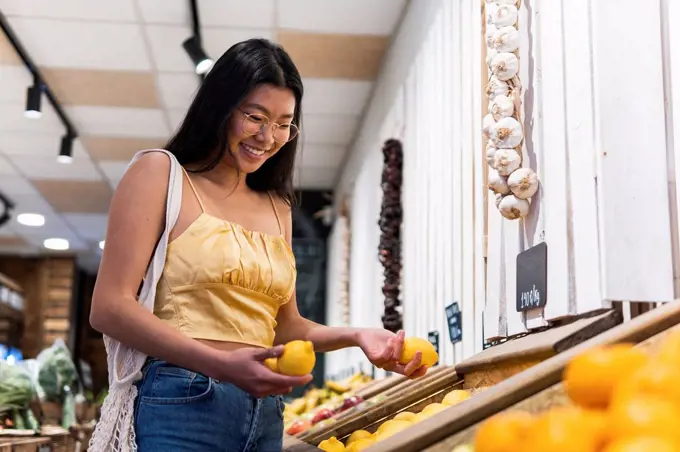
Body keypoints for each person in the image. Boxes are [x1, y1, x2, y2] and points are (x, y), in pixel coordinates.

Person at [88, 38, 426, 452]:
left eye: (284, 123)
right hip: (182, 400)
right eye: (256, 117)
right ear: (220, 108)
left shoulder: (277, 206)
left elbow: (286, 327)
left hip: (265, 412)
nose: (269, 137)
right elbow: (109, 306)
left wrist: (359, 335)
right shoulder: (161, 173)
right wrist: (221, 365)